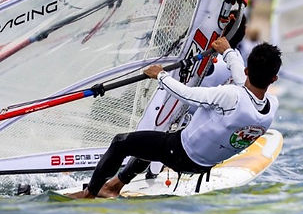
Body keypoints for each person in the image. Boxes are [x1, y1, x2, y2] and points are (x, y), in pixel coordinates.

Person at [70, 37, 281, 199]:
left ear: (247, 69)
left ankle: (90, 193)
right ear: (274, 78)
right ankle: (114, 186)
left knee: (121, 143)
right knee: (151, 141)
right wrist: (228, 52)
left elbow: (187, 94)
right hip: (205, 164)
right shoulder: (271, 106)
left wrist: (160, 75)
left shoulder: (230, 96)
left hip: (180, 152)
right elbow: (244, 84)